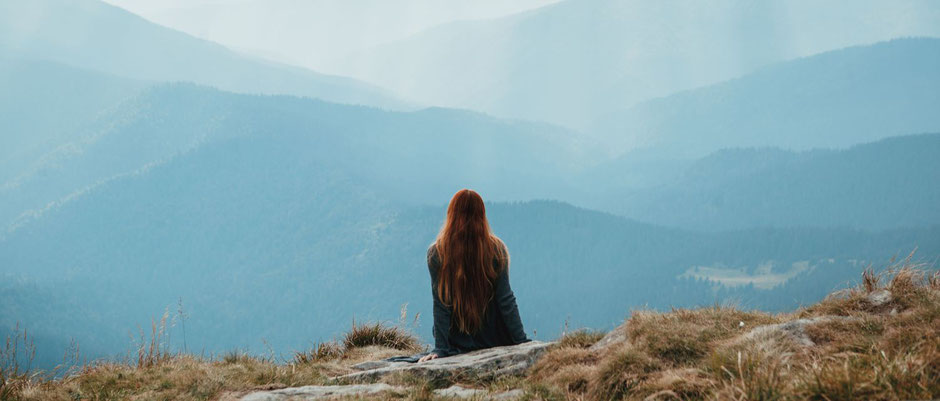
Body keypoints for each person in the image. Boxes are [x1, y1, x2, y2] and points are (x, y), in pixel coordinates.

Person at [418, 189, 529, 362]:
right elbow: (506, 300)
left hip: (457, 340)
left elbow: (441, 304)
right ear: (482, 216)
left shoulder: (437, 252)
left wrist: (440, 348)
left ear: (451, 215)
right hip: (495, 338)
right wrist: (522, 341)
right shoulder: (496, 249)